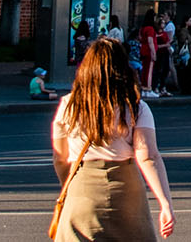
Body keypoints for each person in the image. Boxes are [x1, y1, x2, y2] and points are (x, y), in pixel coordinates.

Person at [51, 37, 175, 240]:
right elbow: (149, 157)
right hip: (127, 194)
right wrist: (165, 203)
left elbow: (60, 158)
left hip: (82, 190)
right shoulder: (135, 107)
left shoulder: (68, 105)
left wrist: (71, 184)